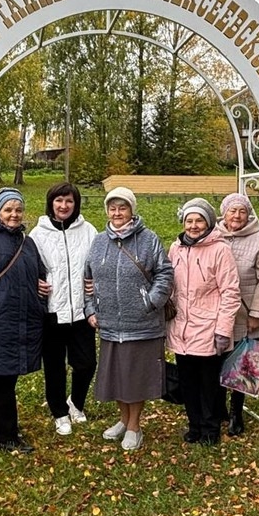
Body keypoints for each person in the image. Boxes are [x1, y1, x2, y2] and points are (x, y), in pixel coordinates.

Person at [84, 187, 174, 451]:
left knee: (135, 377)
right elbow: (88, 278)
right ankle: (123, 420)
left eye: (122, 207)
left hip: (142, 324)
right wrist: (91, 308)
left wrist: (150, 302)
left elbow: (165, 273)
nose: (117, 213)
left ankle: (135, 425)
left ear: (132, 210)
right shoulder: (99, 241)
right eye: (112, 208)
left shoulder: (149, 239)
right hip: (110, 323)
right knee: (117, 376)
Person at [0, 188, 48, 453]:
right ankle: (7, 437)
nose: (14, 215)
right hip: (1, 319)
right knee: (3, 375)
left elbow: (39, 271)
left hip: (25, 316)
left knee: (7, 376)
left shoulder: (27, 242)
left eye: (18, 209)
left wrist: (40, 293)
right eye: (8, 210)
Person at [167, 198, 241, 446]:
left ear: (208, 223)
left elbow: (230, 292)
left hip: (209, 327)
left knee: (208, 382)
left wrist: (223, 329)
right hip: (181, 327)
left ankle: (210, 428)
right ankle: (194, 425)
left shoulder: (220, 250)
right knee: (187, 382)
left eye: (199, 220)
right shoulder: (176, 248)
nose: (194, 225)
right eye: (189, 220)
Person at [29, 182, 98, 436]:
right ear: (51, 203)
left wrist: (95, 283)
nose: (64, 206)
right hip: (52, 311)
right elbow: (29, 267)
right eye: (59, 201)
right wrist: (34, 282)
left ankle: (76, 403)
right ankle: (59, 412)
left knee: (86, 363)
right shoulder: (38, 234)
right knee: (55, 366)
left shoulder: (89, 230)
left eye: (68, 201)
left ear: (75, 203)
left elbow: (97, 263)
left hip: (81, 310)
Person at [215, 192, 259, 436]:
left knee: (243, 364)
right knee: (217, 359)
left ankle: (237, 411)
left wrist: (257, 311)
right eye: (232, 211)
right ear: (223, 213)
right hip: (218, 311)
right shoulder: (213, 235)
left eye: (242, 211)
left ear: (249, 215)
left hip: (246, 311)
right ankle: (218, 409)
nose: (237, 216)